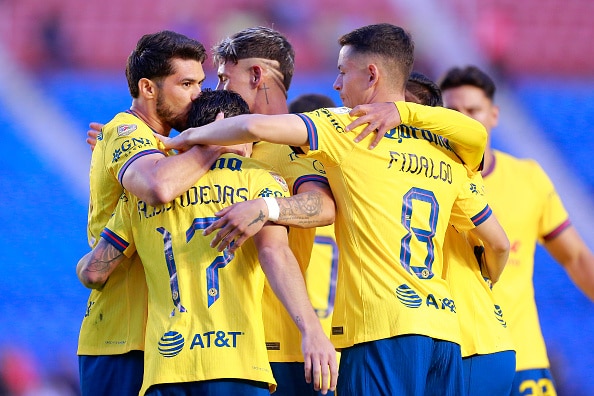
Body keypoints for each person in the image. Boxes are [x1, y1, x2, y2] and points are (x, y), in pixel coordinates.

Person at [159, 23, 497, 395]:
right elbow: (497, 236)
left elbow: (319, 201)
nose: (335, 86)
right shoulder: (443, 150)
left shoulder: (340, 131)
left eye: (224, 78)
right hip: (441, 328)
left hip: (349, 332)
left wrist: (186, 143)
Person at [76, 89, 338, 395]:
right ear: (237, 131)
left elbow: (94, 271)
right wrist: (311, 330)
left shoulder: (146, 191)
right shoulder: (261, 180)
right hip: (238, 364)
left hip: (167, 368)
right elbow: (274, 253)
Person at [78, 30, 224, 396]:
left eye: (200, 83)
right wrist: (216, 145)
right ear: (148, 88)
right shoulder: (127, 130)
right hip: (122, 338)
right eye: (186, 83)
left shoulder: (169, 146)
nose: (198, 95)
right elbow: (159, 187)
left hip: (167, 339)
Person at [438, 65, 594, 396]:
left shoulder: (528, 177)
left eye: (473, 110)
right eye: (452, 111)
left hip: (523, 357)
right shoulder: (424, 180)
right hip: (456, 360)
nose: (464, 120)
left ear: (493, 115)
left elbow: (577, 257)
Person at [408, 71, 516, 395]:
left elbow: (499, 244)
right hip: (454, 341)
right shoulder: (447, 166)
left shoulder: (451, 167)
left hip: (471, 344)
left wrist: (489, 275)